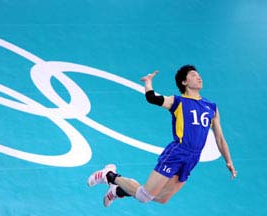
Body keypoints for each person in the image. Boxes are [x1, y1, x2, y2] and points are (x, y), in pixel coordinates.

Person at [87, 65, 237, 207]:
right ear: (184, 82)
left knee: (162, 199)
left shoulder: (212, 107)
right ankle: (109, 175)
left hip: (193, 157)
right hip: (177, 153)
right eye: (193, 75)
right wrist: (148, 82)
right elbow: (152, 98)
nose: (199, 78)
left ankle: (118, 191)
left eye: (199, 75)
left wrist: (228, 161)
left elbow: (220, 138)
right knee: (144, 196)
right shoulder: (178, 101)